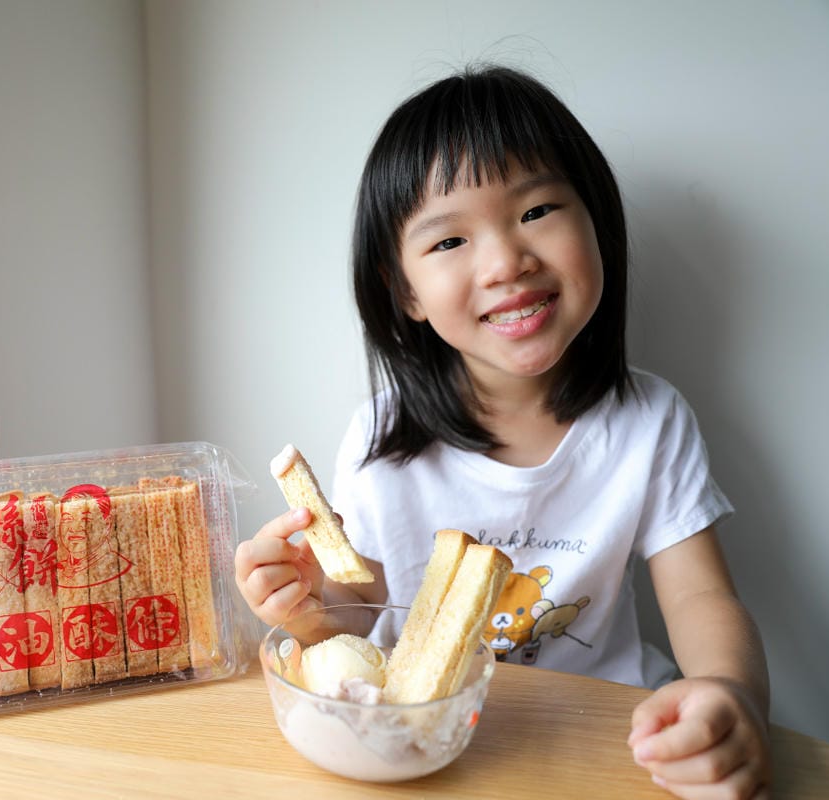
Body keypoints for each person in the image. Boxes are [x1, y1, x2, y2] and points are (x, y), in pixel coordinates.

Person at [234, 65, 770, 799]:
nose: (505, 263)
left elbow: (702, 600)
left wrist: (732, 695)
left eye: (537, 209)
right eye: (449, 242)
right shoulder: (382, 437)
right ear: (405, 295)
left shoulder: (649, 420)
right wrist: (308, 604)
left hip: (608, 739)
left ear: (597, 221)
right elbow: (362, 612)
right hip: (430, 752)